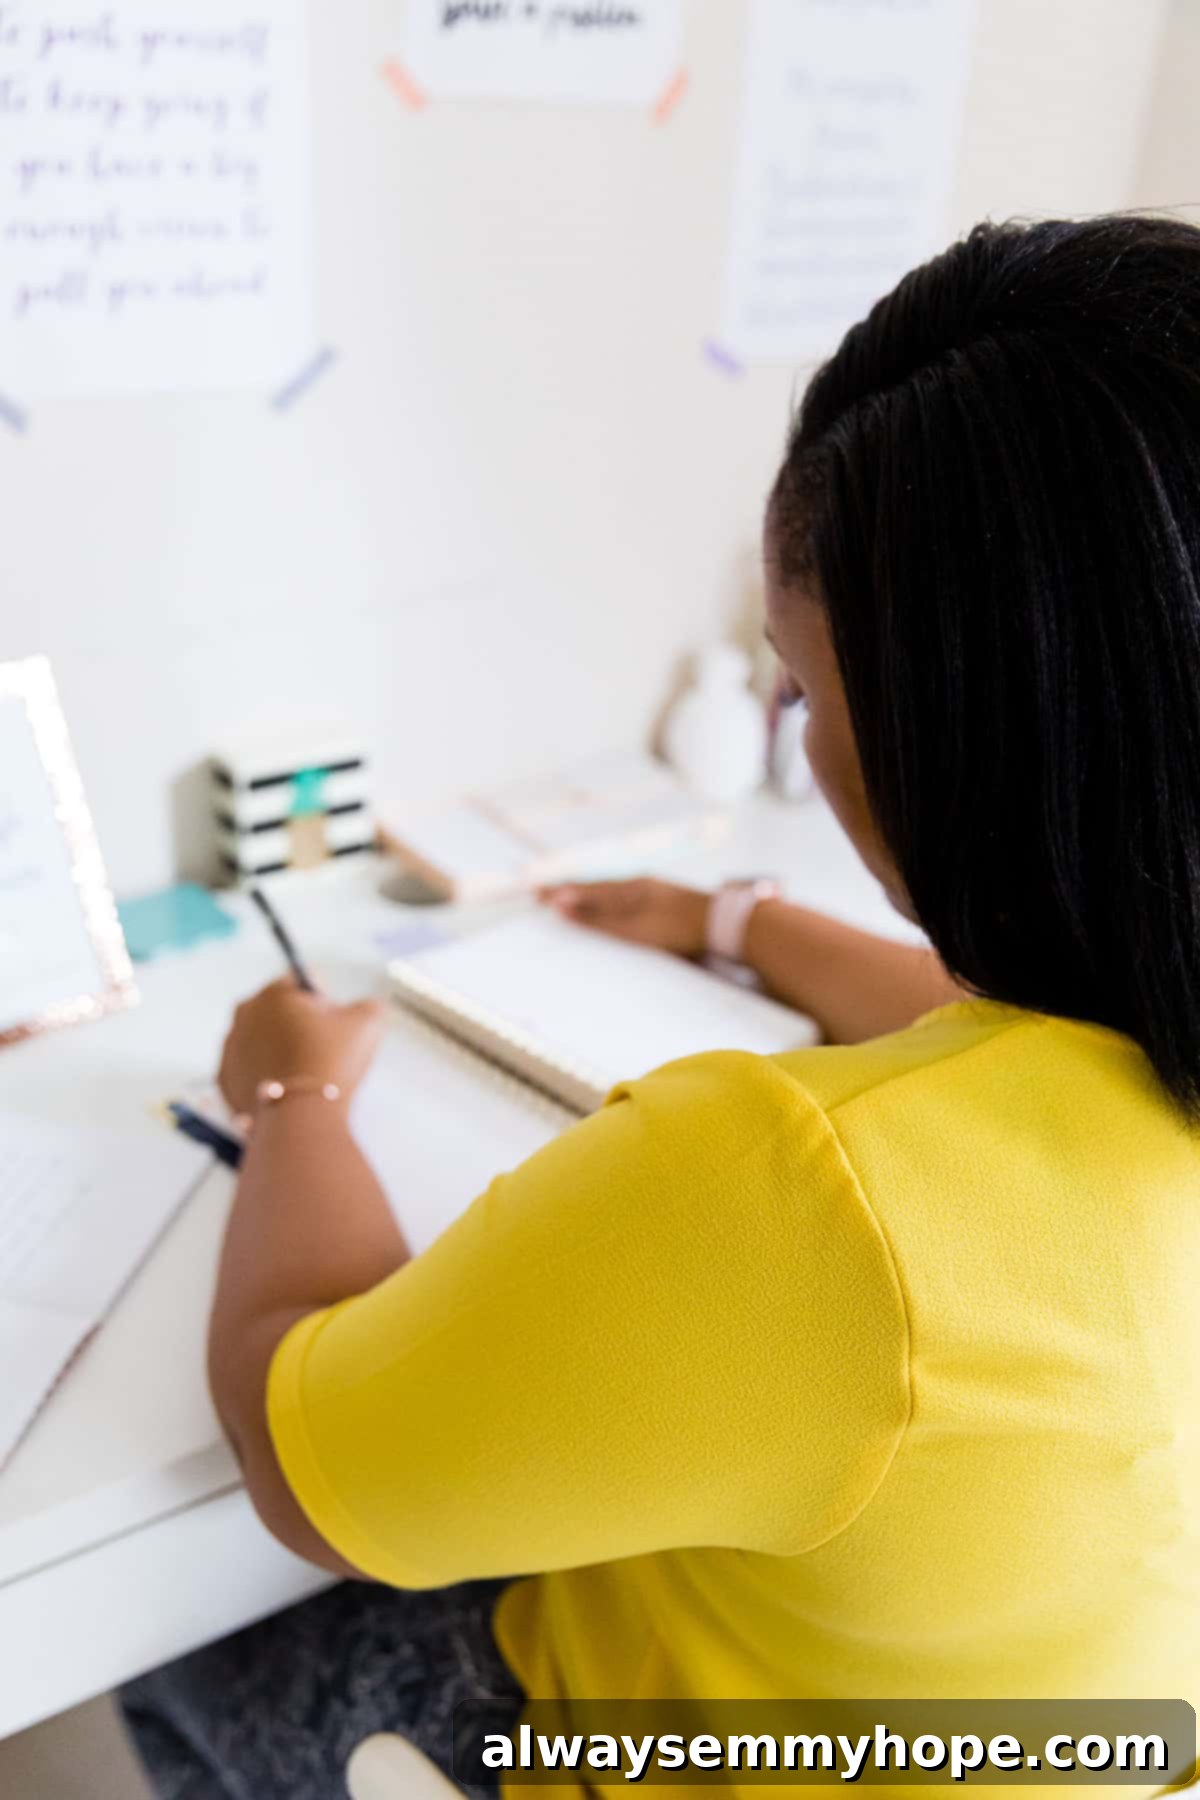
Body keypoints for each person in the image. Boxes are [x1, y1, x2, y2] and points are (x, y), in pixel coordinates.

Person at [123, 215, 1200, 1798]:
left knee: (184, 1638)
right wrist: (739, 920)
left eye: (801, 688)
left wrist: (296, 1098)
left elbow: (299, 1457)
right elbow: (1064, 1035)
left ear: (949, 738)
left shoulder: (800, 1199)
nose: (797, 730)